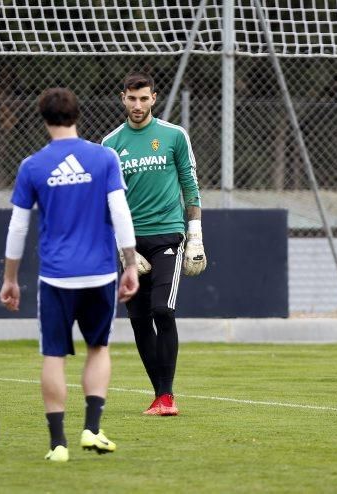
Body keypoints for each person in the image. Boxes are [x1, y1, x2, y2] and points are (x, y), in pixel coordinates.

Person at [0, 87, 139, 462]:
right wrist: (130, 264)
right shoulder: (104, 157)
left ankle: (58, 444)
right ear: (79, 115)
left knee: (53, 356)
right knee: (99, 348)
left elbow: (17, 227)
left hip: (56, 278)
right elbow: (121, 214)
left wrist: (10, 278)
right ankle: (92, 429)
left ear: (43, 119)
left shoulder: (32, 165)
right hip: (99, 276)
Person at [101, 72, 206, 417]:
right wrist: (121, 247)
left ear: (154, 98)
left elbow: (190, 186)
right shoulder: (111, 144)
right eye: (132, 98)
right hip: (132, 244)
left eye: (144, 98)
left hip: (168, 236)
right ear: (123, 99)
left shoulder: (174, 136)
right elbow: (108, 200)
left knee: (163, 309)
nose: (138, 105)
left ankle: (167, 394)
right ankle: (160, 396)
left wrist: (195, 235)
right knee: (140, 321)